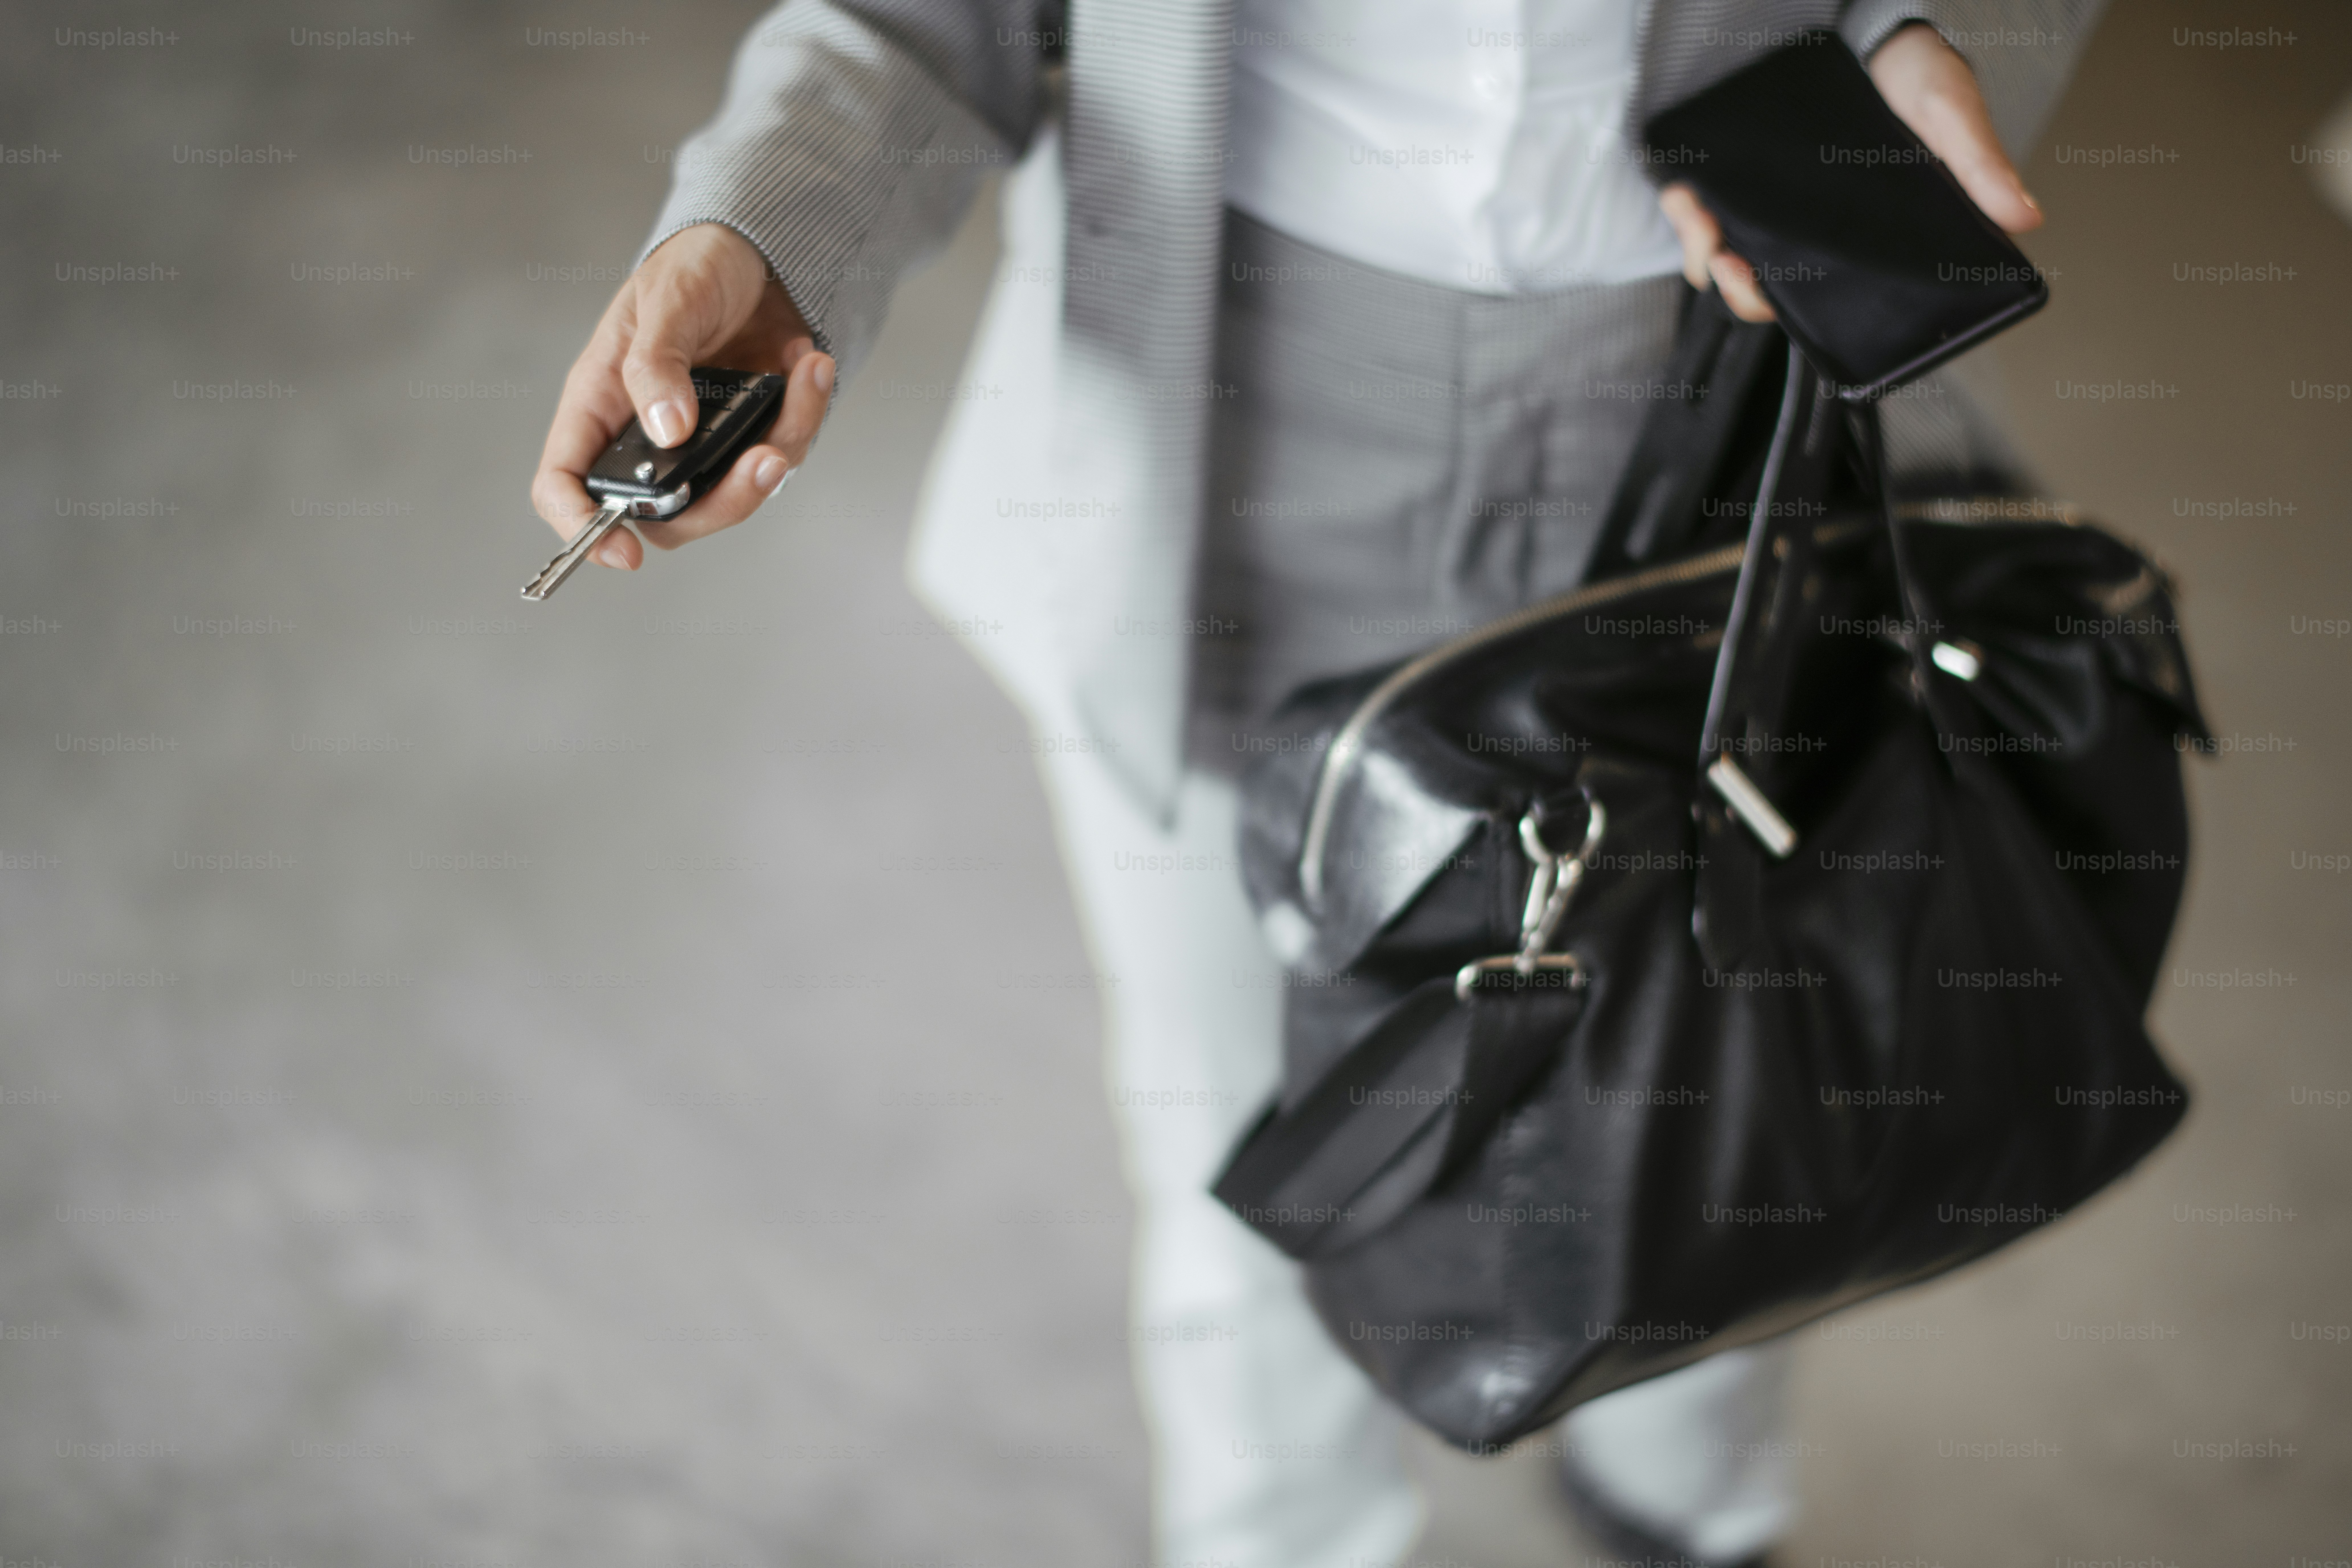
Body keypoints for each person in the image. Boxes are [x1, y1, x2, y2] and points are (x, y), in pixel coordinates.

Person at [531, 4, 2096, 1564]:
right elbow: (926, 26)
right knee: (1250, 1155)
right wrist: (767, 219)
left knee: (1738, 1056)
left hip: (1723, 384)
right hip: (1229, 398)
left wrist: (1912, 45)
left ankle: (1687, 1499)